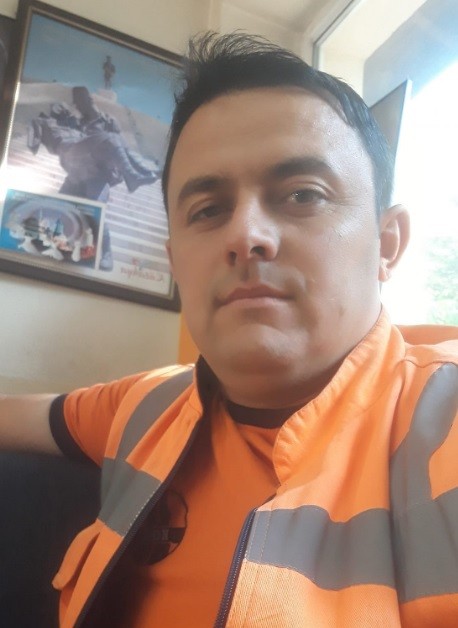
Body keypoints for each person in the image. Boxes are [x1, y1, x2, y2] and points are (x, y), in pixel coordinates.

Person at [1, 32, 457, 627]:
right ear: (176, 261)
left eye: (303, 194)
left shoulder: (442, 421)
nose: (246, 235)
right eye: (209, 210)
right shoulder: (146, 408)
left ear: (387, 244)